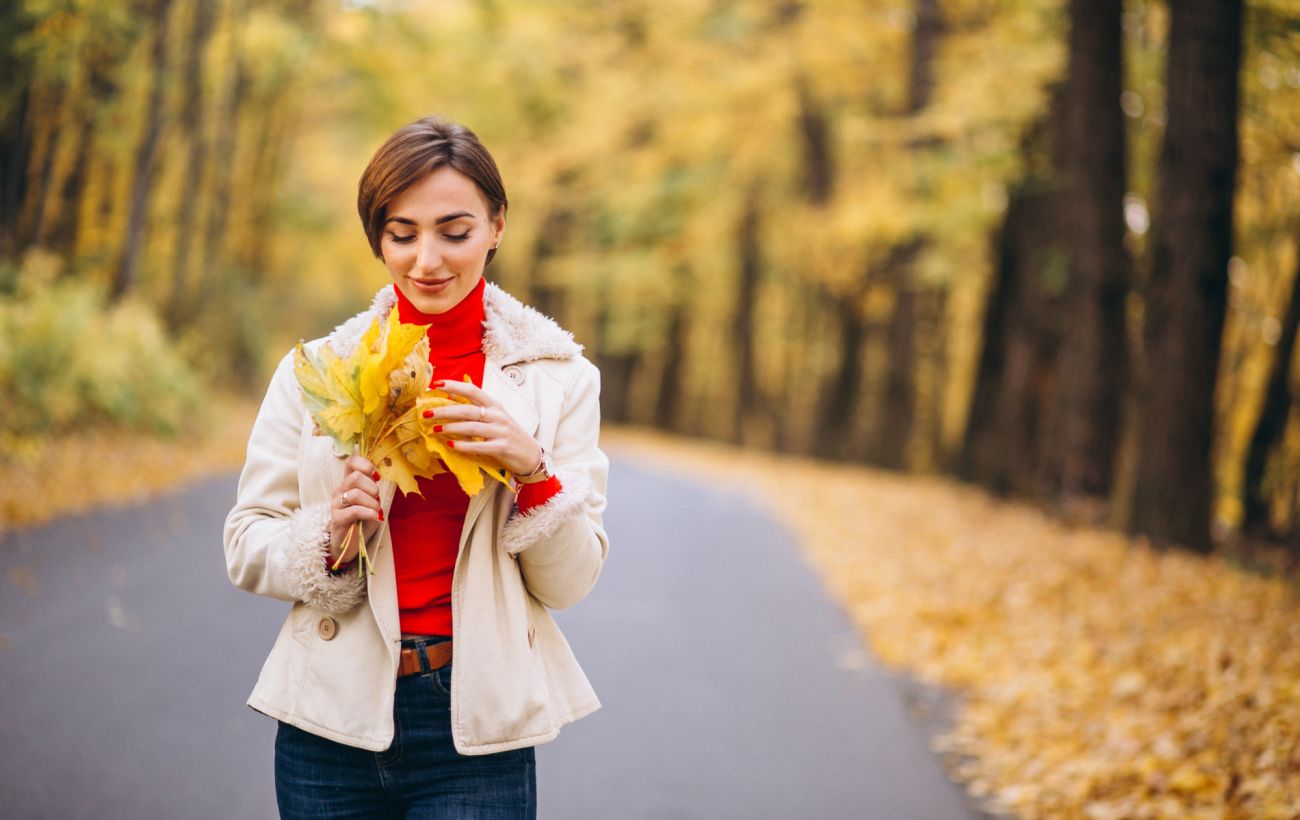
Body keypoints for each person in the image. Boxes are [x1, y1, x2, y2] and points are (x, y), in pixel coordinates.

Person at [223, 115, 609, 819]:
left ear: (496, 225)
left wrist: (534, 471)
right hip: (329, 722)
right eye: (402, 234)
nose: (426, 260)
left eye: (453, 232)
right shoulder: (321, 369)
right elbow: (247, 542)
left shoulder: (558, 380)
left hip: (474, 729)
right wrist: (328, 533)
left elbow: (572, 580)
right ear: (378, 238)